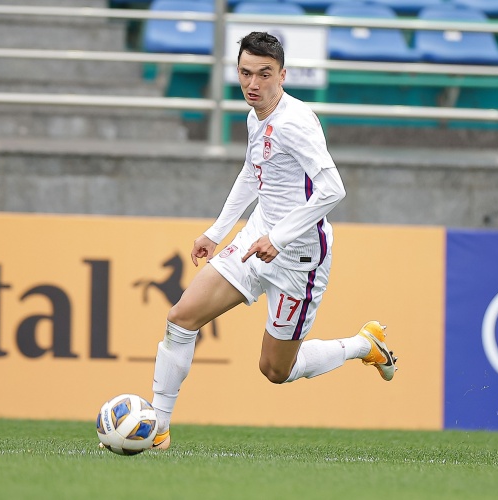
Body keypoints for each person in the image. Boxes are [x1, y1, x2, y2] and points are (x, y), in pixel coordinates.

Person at [149, 32, 397, 450]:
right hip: (255, 241)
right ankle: (157, 427)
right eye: (246, 73)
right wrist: (216, 232)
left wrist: (279, 238)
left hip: (299, 258)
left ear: (282, 75)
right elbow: (252, 172)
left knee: (275, 370)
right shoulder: (256, 116)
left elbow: (333, 189)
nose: (253, 84)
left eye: (264, 74)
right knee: (181, 318)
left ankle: (363, 344)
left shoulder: (294, 123)